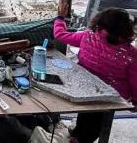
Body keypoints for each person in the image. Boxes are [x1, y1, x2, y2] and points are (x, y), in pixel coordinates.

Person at [54, 8, 137, 143]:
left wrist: (60, 19)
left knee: (86, 113)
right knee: (95, 125)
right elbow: (135, 82)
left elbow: (60, 35)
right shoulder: (131, 54)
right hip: (111, 97)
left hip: (83, 88)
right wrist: (135, 101)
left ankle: (78, 133)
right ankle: (81, 138)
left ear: (99, 22)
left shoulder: (87, 37)